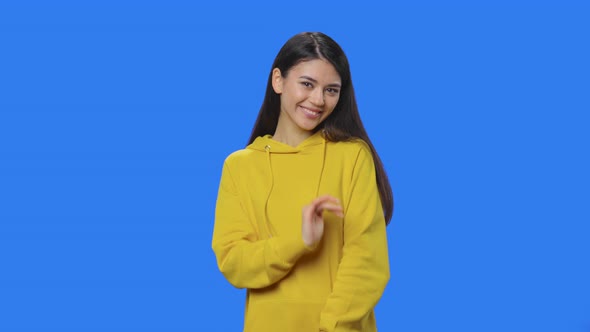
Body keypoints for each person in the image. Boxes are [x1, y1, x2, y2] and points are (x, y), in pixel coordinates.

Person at [212, 31, 394, 332]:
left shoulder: (352, 157)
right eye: (307, 84)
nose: (318, 100)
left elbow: (368, 262)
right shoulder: (240, 166)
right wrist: (300, 242)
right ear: (278, 81)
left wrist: (331, 327)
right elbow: (234, 262)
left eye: (331, 90)